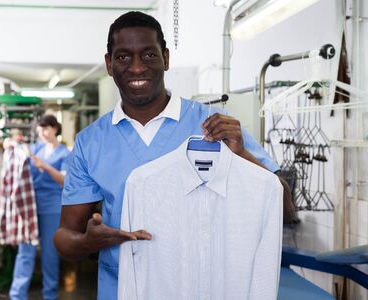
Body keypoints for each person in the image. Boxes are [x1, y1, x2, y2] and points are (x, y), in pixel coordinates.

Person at [54, 11, 293, 300]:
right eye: (123, 57)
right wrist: (88, 243)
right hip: (123, 288)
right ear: (109, 64)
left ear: (166, 58)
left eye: (149, 55)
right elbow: (65, 237)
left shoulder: (213, 125)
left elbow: (285, 207)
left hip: (203, 288)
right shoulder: (91, 142)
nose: (138, 68)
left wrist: (241, 154)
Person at [10, 115, 70, 300]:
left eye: (45, 129)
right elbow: (19, 152)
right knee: (25, 252)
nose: (42, 134)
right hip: (30, 206)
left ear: (55, 129)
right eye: (39, 131)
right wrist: (10, 144)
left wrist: (46, 167)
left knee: (49, 255)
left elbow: (64, 180)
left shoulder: (65, 154)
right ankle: (17, 296)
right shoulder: (35, 149)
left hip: (51, 208)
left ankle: (49, 295)